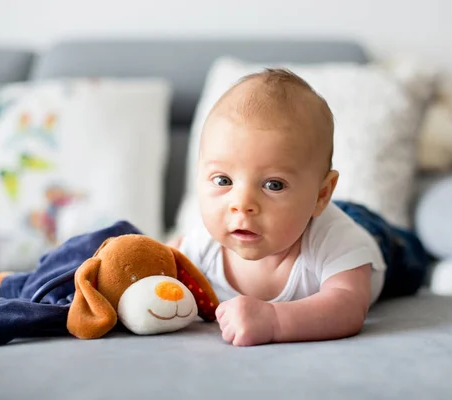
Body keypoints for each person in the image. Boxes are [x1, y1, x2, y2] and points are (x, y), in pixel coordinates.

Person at [170, 68, 428, 347]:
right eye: (223, 180)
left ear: (322, 194)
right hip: (304, 213)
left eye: (273, 185)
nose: (242, 204)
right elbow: (164, 264)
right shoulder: (202, 245)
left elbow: (348, 307)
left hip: (373, 234)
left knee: (415, 260)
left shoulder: (337, 240)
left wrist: (274, 321)